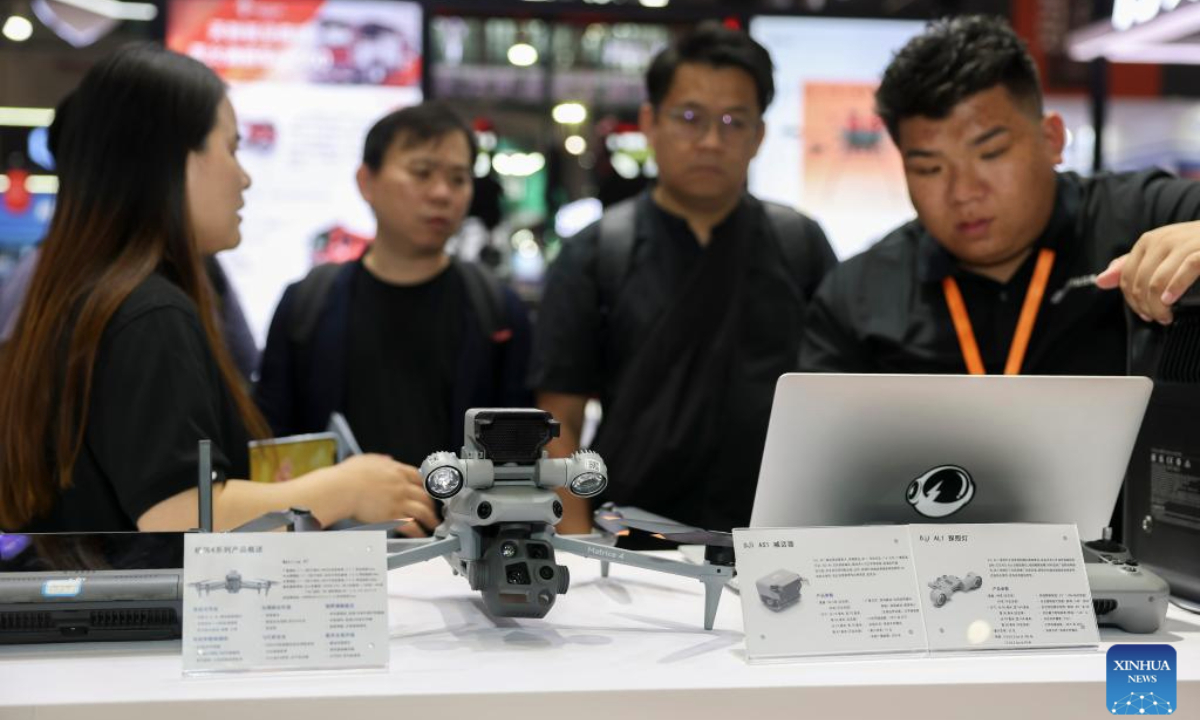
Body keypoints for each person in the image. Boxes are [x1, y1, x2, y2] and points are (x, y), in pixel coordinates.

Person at [0, 44, 436, 534]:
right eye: (231, 148)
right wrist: (346, 488)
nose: (244, 176)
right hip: (147, 611)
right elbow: (181, 515)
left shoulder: (90, 295)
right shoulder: (148, 312)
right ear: (171, 160)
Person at [530, 23, 837, 534]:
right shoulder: (597, 251)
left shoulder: (799, 245)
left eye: (734, 121)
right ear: (651, 122)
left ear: (759, 134)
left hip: (775, 532)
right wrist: (575, 542)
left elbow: (834, 401)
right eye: (690, 118)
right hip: (629, 534)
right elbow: (561, 414)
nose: (712, 141)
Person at [800, 15, 1200, 375]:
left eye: (990, 154)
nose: (964, 193)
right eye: (929, 168)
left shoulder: (1144, 214)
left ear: (1051, 139)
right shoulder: (858, 297)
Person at [255, 102, 531, 467]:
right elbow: (274, 443)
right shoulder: (306, 305)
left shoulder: (498, 310)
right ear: (366, 182)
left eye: (458, 178)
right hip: (332, 522)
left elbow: (520, 452)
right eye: (422, 172)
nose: (442, 194)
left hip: (463, 523)